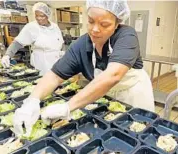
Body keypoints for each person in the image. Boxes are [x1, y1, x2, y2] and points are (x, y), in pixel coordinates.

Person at [13, 0, 155, 136]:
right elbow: (54, 76)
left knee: (137, 134)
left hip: (133, 95)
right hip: (105, 96)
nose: (95, 29)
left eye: (104, 24)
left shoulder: (126, 36)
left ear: (117, 24)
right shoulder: (81, 44)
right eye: (91, 21)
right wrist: (33, 100)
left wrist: (67, 107)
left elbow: (113, 75)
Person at [1, 2, 64, 75]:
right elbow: (17, 43)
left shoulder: (55, 27)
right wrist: (7, 55)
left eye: (42, 16)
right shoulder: (31, 27)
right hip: (41, 65)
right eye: (36, 15)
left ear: (47, 16)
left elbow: (60, 43)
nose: (38, 18)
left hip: (57, 64)